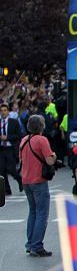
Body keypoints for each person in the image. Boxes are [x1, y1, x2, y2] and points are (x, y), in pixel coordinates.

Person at [18, 115, 56, 256]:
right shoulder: (42, 140)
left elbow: (21, 159)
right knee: (42, 214)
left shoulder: (24, 140)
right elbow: (50, 160)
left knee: (32, 212)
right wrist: (55, 156)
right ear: (41, 126)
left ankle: (30, 243)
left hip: (26, 180)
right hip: (39, 180)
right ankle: (37, 245)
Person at [0, 102, 23, 195]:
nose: (3, 112)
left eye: (5, 110)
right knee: (1, 170)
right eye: (1, 111)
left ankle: (19, 179)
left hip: (11, 149)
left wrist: (7, 137)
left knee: (11, 169)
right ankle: (6, 189)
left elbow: (19, 135)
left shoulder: (14, 122)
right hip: (1, 149)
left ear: (8, 112)